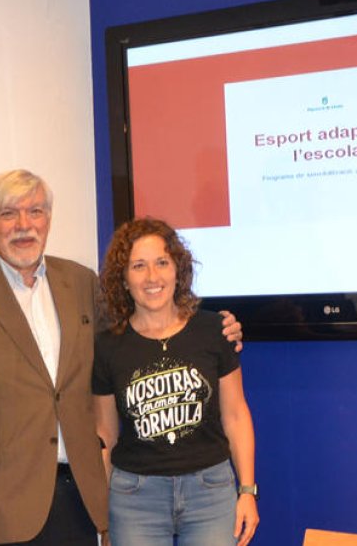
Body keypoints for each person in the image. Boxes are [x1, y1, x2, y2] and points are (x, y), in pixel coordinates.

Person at [0, 170, 243, 546]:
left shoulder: (81, 283)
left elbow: (141, 330)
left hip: (77, 498)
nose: (24, 225)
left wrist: (222, 326)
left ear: (48, 219)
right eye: (8, 213)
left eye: (35, 211)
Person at [93, 218, 259, 546]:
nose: (152, 277)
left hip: (210, 492)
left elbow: (236, 415)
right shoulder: (107, 346)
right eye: (138, 266)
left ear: (177, 270)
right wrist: (102, 516)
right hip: (134, 499)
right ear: (123, 279)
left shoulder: (214, 330)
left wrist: (248, 492)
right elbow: (105, 437)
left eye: (162, 263)